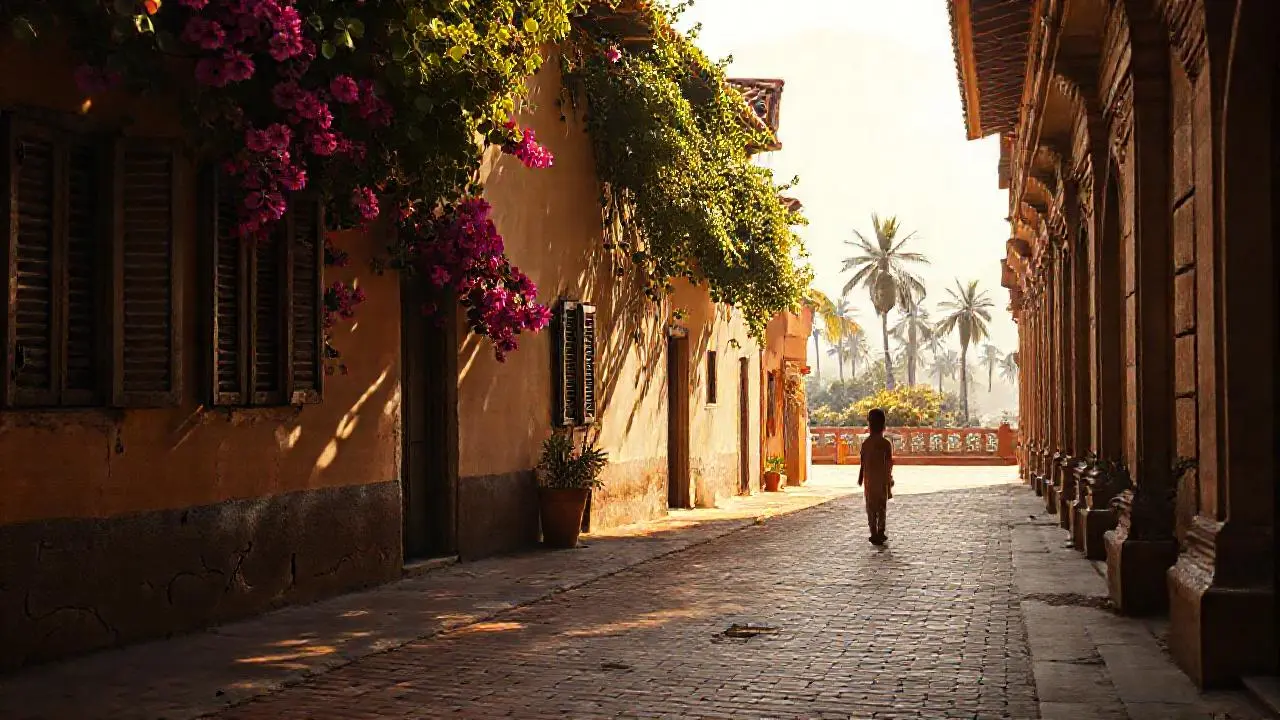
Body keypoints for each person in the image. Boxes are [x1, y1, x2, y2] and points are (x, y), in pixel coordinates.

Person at [857, 408, 894, 545]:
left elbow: (863, 463)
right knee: (881, 507)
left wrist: (860, 478)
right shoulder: (886, 444)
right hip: (882, 482)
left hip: (869, 482)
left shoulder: (866, 444)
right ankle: (880, 531)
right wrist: (890, 479)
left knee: (871, 508)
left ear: (869, 425)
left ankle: (873, 532)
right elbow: (889, 463)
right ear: (884, 426)